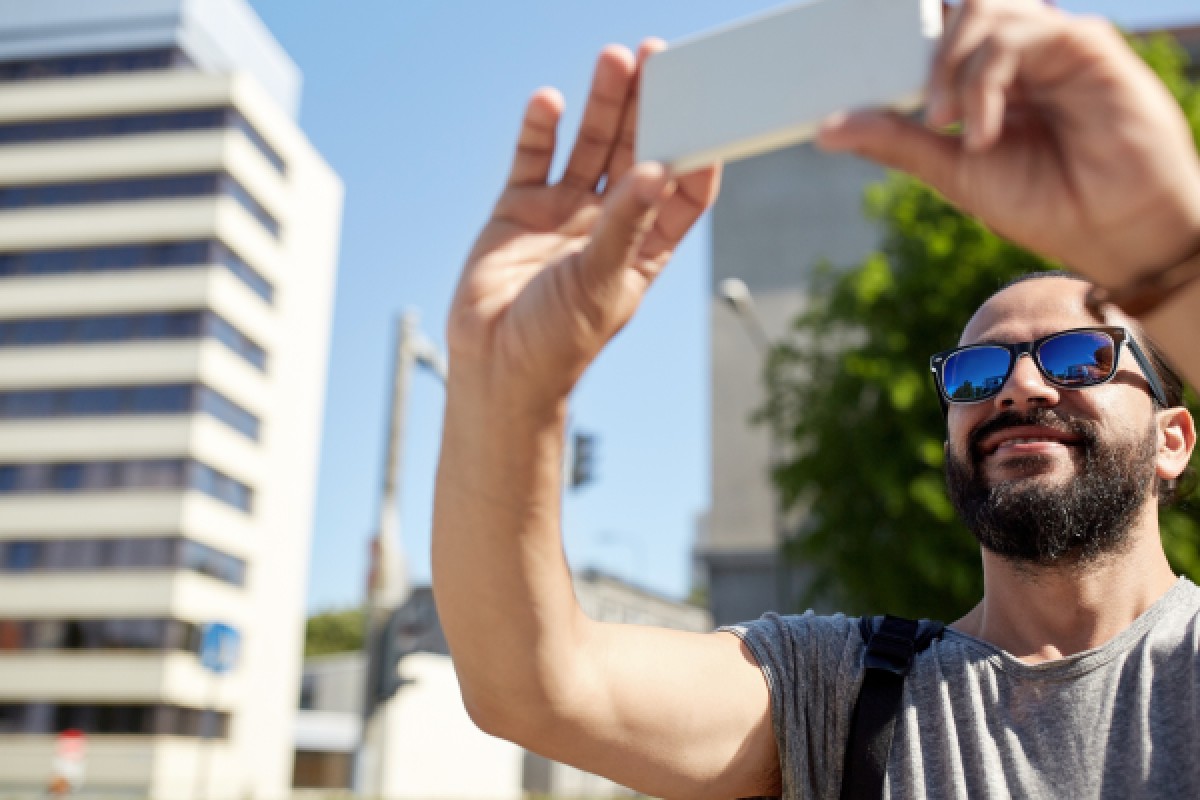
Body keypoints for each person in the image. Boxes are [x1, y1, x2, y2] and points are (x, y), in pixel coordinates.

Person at [432, 0, 1200, 797]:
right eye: (977, 373)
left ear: (1173, 438)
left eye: (1078, 356)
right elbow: (536, 686)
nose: (1020, 385)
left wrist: (1167, 245)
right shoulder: (844, 690)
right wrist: (509, 386)